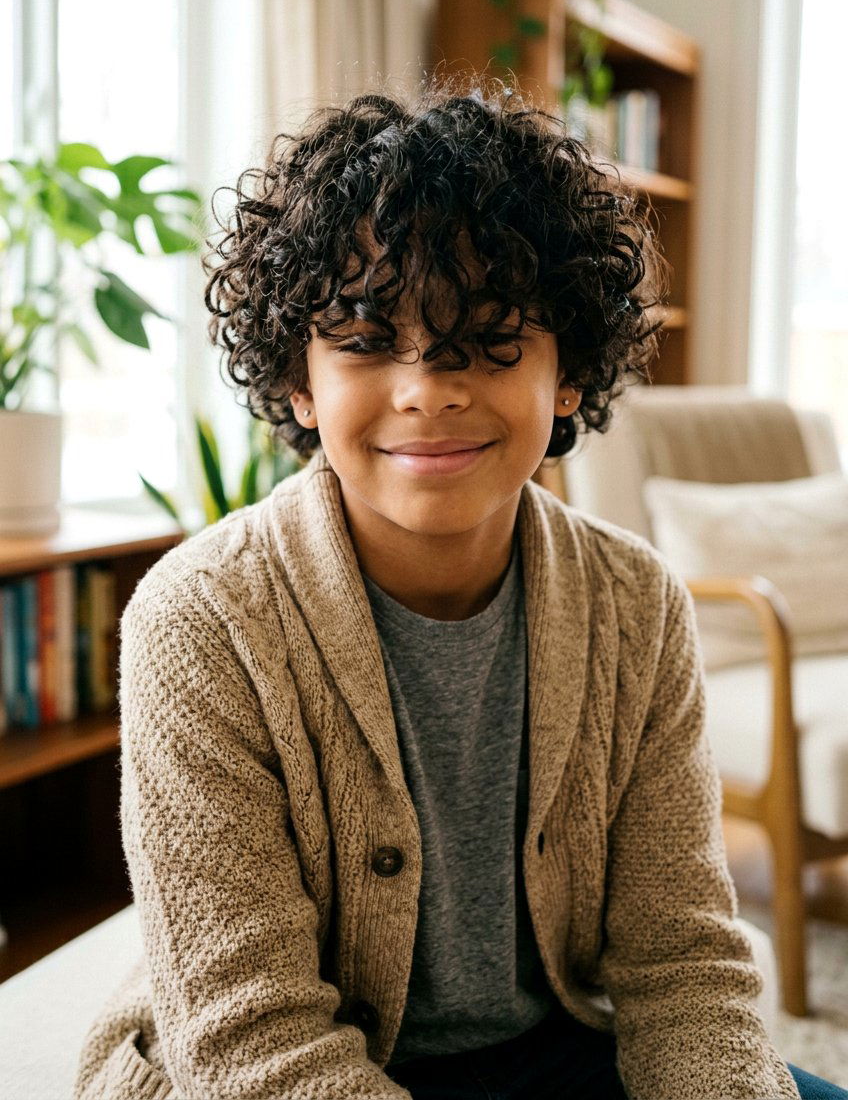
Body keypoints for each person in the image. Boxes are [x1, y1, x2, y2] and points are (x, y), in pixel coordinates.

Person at [73, 77, 846, 1100]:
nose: (426, 389)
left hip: (546, 1051)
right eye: (363, 339)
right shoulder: (200, 620)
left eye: (484, 337)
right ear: (298, 380)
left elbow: (680, 962)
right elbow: (250, 1042)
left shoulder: (637, 607)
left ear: (565, 371)